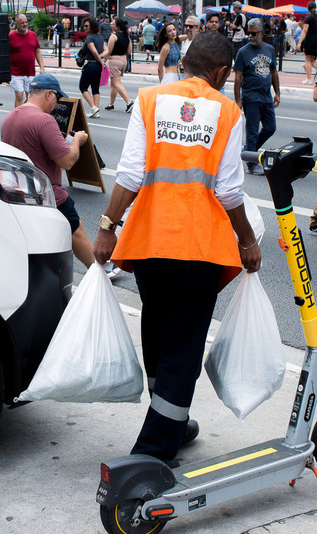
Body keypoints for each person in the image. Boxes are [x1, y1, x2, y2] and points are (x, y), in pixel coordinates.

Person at [93, 31, 262, 467]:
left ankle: (171, 418)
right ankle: (153, 450)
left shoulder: (149, 100)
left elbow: (130, 172)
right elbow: (227, 190)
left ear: (183, 61)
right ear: (222, 72)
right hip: (199, 247)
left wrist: (108, 227)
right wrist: (246, 240)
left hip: (150, 242)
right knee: (184, 345)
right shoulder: (228, 112)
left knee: (158, 326)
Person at [1, 74, 106, 274]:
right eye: (57, 99)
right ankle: (99, 272)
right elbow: (66, 161)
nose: (57, 105)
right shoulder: (44, 120)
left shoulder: (11, 116)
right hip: (47, 192)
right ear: (49, 94)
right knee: (76, 231)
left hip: (18, 190)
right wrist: (77, 141)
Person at [234, 18, 280, 176]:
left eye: (253, 33)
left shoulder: (270, 49)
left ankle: (249, 151)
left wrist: (277, 93)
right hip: (251, 97)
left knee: (270, 127)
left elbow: (274, 72)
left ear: (262, 33)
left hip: (266, 96)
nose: (250, 36)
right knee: (252, 132)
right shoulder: (243, 52)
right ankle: (251, 163)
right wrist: (238, 100)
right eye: (248, 33)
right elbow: (238, 77)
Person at [9, 14, 45, 107]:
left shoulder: (33, 35)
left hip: (30, 72)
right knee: (19, 96)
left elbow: (37, 51)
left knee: (30, 98)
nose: (24, 24)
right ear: (16, 23)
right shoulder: (11, 36)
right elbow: (6, 55)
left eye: (26, 22)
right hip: (16, 72)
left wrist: (42, 67)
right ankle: (18, 118)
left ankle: (25, 114)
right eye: (22, 23)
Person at [100, 17, 134, 113]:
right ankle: (111, 104)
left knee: (116, 83)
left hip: (114, 60)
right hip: (123, 60)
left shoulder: (113, 36)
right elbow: (129, 51)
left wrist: (106, 61)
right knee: (113, 83)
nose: (111, 25)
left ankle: (129, 102)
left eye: (113, 23)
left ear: (118, 26)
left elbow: (109, 51)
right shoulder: (127, 36)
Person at [78, 17, 106, 118]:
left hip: (91, 64)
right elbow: (106, 50)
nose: (84, 28)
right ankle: (96, 111)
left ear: (92, 26)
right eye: (84, 26)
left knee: (83, 86)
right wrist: (101, 58)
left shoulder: (89, 38)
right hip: (98, 66)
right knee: (95, 88)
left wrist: (99, 59)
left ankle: (93, 107)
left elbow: (94, 51)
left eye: (86, 26)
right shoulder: (100, 37)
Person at [297, 2, 317, 84]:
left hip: (309, 39)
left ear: (308, 8)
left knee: (307, 60)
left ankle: (308, 79)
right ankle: (309, 78)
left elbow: (305, 31)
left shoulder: (308, 18)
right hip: (316, 39)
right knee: (312, 60)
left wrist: (299, 42)